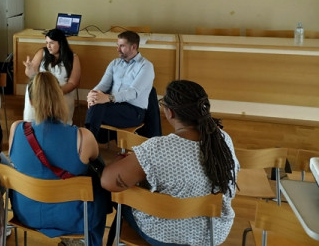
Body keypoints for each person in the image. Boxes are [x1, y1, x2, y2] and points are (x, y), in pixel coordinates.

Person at [100, 80, 239, 246]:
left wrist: (121, 159)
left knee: (123, 196)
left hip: (165, 236)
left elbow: (107, 181)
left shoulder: (158, 148)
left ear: (170, 112)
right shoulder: (223, 140)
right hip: (213, 234)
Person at [8, 71, 110, 246]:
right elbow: (99, 167)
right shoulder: (83, 137)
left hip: (26, 213)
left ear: (31, 101)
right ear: (60, 97)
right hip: (72, 218)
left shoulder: (16, 129)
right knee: (99, 183)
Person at [85, 31, 154, 140]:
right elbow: (103, 85)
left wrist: (108, 98)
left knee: (96, 106)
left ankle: (87, 142)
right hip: (114, 106)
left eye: (122, 46)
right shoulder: (115, 63)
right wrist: (92, 94)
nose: (118, 49)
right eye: (117, 45)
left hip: (134, 111)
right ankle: (89, 142)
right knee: (96, 102)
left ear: (134, 47)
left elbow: (133, 92)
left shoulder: (146, 66)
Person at [22, 28, 81, 124]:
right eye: (47, 43)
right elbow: (33, 76)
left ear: (60, 43)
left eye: (52, 43)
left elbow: (73, 82)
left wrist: (55, 92)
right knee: (30, 87)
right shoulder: (42, 52)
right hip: (41, 90)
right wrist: (29, 70)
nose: (48, 46)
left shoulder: (73, 58)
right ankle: (31, 124)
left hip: (62, 92)